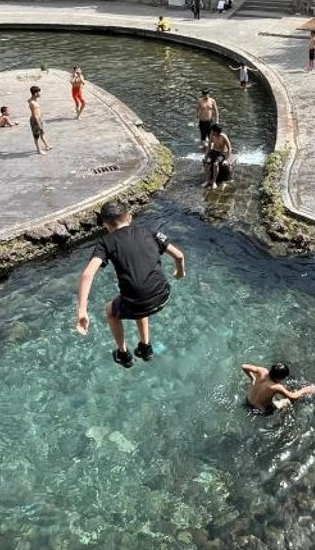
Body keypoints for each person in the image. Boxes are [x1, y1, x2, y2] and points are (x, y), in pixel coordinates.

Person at [76, 200, 186, 368]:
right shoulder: (150, 232)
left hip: (138, 302)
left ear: (105, 224)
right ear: (130, 217)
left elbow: (87, 274)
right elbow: (179, 256)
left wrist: (82, 310)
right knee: (139, 293)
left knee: (110, 310)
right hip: (163, 295)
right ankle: (145, 348)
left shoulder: (106, 242)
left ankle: (123, 354)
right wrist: (180, 272)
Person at [242, 362, 315, 415]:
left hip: (247, 402)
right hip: (260, 410)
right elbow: (292, 396)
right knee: (288, 401)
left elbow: (244, 366)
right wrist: (305, 390)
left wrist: (253, 379)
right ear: (280, 378)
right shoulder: (276, 387)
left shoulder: (262, 371)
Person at [203, 124, 233, 189]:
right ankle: (208, 180)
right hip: (214, 151)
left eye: (213, 131)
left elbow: (229, 148)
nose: (212, 132)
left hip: (222, 153)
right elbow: (209, 146)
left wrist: (227, 160)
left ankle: (214, 182)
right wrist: (206, 156)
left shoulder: (223, 136)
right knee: (206, 162)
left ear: (216, 131)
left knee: (215, 164)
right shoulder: (211, 135)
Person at [27, 85, 51, 155]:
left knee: (42, 133)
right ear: (35, 93)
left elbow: (28, 100)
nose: (40, 94)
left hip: (39, 118)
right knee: (36, 135)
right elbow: (35, 115)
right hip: (35, 120)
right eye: (38, 92)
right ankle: (38, 150)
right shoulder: (32, 103)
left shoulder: (33, 100)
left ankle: (47, 145)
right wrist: (38, 124)